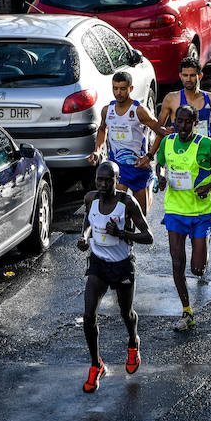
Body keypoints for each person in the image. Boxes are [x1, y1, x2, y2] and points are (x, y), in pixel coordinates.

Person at [78, 161, 153, 393]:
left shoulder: (127, 203)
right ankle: (95, 364)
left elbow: (148, 236)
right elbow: (88, 223)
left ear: (116, 180)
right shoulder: (90, 198)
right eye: (99, 179)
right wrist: (84, 237)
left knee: (126, 313)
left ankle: (133, 342)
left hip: (122, 266)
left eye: (108, 180)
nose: (102, 184)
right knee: (88, 315)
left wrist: (121, 233)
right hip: (98, 264)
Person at [155, 105, 211, 330]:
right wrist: (160, 177)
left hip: (200, 212)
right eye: (179, 121)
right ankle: (187, 311)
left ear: (195, 123)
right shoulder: (168, 142)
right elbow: (159, 163)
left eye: (188, 122)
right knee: (177, 262)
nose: (183, 126)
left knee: (198, 269)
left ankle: (205, 243)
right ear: (175, 121)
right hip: (175, 211)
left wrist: (209, 185)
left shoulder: (206, 144)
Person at [88, 71, 166, 215]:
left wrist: (149, 156)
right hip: (118, 167)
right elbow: (102, 129)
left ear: (131, 89)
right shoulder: (107, 110)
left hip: (138, 167)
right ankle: (124, 235)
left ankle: (150, 181)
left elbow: (160, 132)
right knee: (118, 211)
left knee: (142, 213)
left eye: (123, 89)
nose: (118, 92)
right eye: (115, 88)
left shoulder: (139, 111)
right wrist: (97, 150)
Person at [150, 57, 211, 150]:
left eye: (192, 75)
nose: (188, 79)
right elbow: (159, 128)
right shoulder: (171, 99)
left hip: (202, 153)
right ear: (180, 76)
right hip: (178, 153)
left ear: (199, 76)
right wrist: (151, 154)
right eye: (185, 75)